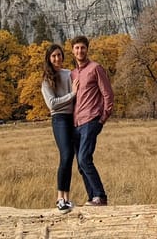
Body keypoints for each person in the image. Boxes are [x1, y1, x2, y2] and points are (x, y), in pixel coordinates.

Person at [70, 35, 114, 206]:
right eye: (77, 48)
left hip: (91, 120)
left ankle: (100, 196)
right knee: (81, 165)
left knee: (84, 158)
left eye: (83, 47)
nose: (80, 51)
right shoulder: (73, 74)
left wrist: (103, 118)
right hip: (76, 123)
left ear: (87, 49)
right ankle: (92, 198)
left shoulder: (96, 68)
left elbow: (108, 94)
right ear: (73, 51)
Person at [41, 43, 79, 212]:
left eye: (59, 55)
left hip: (73, 118)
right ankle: (59, 198)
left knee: (70, 158)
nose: (57, 58)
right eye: (53, 56)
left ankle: (67, 198)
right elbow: (52, 104)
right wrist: (72, 95)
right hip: (59, 120)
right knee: (66, 154)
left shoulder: (69, 74)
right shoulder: (46, 80)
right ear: (49, 59)